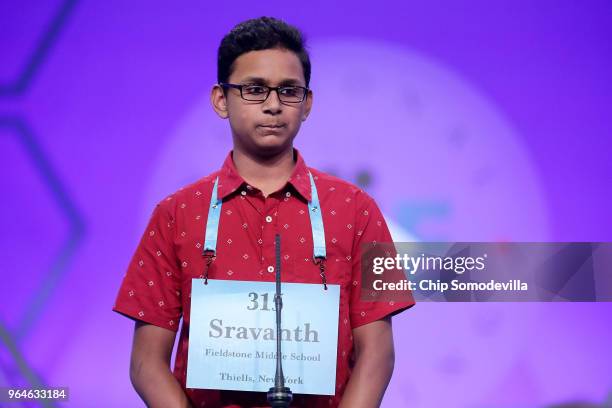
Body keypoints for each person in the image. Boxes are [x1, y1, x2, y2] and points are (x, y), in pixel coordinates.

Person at [113, 16, 415, 408]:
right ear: (222, 100)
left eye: (289, 91)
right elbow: (145, 362)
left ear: (306, 104)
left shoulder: (357, 209)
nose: (273, 105)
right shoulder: (176, 214)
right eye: (255, 89)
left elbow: (378, 354)